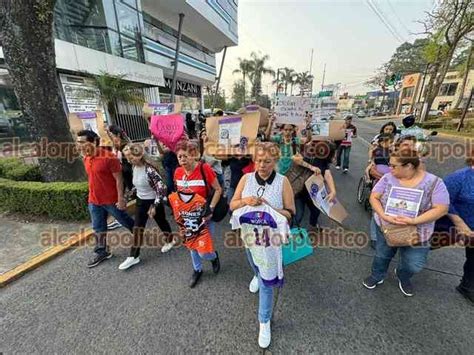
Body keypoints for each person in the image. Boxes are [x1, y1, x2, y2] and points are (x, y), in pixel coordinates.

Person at [230, 142, 295, 349]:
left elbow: (290, 213)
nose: (262, 165)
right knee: (256, 267)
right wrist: (245, 201)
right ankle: (257, 275)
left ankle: (264, 321)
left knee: (267, 282)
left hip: (272, 243)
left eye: (267, 161)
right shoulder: (246, 178)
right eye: (258, 160)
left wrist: (270, 207)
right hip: (250, 239)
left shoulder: (283, 182)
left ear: (275, 161)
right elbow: (232, 205)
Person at [363, 149, 449, 296]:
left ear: (408, 166)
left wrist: (414, 220)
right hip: (387, 227)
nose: (389, 168)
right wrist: (384, 215)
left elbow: (441, 209)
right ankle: (377, 276)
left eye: (393, 165)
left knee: (414, 264)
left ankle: (403, 274)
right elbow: (374, 197)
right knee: (382, 254)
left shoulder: (434, 183)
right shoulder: (388, 178)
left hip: (419, 232)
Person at [76, 130, 135, 268]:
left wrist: (121, 198)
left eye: (82, 142)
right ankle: (102, 251)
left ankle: (139, 232)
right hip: (94, 200)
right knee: (98, 227)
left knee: (125, 220)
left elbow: (119, 180)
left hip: (111, 200)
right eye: (78, 142)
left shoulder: (109, 158)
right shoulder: (86, 157)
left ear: (94, 141)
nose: (79, 145)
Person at [173, 140, 222, 287]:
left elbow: (218, 189)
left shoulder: (204, 168)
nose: (182, 159)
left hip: (205, 216)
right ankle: (197, 270)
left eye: (185, 156)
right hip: (187, 217)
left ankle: (213, 257)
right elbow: (179, 194)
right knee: (191, 246)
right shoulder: (178, 172)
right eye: (179, 157)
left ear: (193, 155)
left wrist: (211, 208)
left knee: (203, 251)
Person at [117, 144, 174, 270]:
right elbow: (137, 186)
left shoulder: (150, 170)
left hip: (153, 201)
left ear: (140, 155)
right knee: (138, 228)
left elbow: (162, 189)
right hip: (141, 202)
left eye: (132, 157)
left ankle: (170, 240)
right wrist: (126, 197)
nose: (130, 160)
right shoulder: (134, 167)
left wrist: (154, 206)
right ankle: (133, 256)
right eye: (128, 158)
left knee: (161, 222)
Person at [443, 150, 474, 304]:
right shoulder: (459, 177)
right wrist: (460, 223)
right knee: (416, 255)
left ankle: (468, 286)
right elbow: (442, 199)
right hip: (450, 225)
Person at [293, 139, 337, 230]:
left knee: (316, 211)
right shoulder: (309, 155)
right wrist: (311, 167)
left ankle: (313, 225)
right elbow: (295, 159)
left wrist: (333, 191)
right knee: (299, 215)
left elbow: (327, 174)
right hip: (300, 191)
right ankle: (291, 233)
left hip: (313, 194)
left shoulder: (323, 161)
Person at [106, 125, 133, 230]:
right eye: (109, 135)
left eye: (112, 135)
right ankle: (120, 218)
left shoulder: (124, 145)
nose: (110, 137)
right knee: (123, 194)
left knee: (125, 194)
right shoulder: (116, 144)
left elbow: (129, 161)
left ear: (117, 134)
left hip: (126, 173)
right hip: (122, 173)